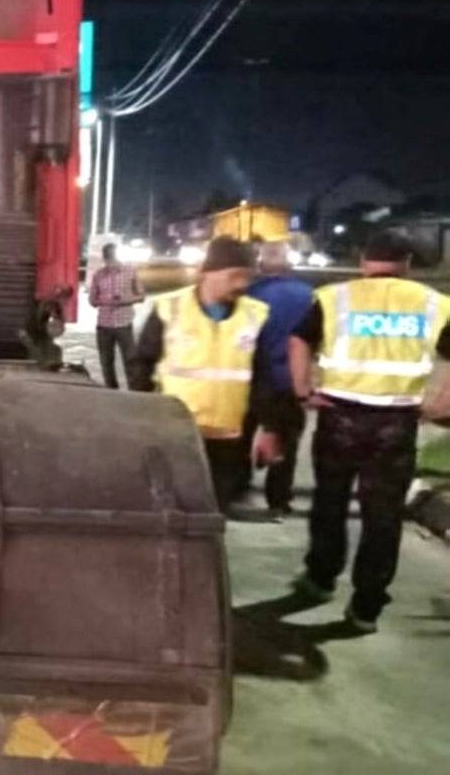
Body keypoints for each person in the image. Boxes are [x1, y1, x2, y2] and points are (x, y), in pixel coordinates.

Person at [288, 229, 450, 633]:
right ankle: (366, 607)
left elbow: (298, 341)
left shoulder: (335, 297)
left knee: (330, 503)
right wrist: (443, 404)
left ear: (364, 261)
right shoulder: (435, 304)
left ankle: (321, 579)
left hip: (338, 416)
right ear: (408, 264)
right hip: (396, 423)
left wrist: (304, 389)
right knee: (383, 517)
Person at [128, 236, 283, 513]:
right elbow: (141, 366)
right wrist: (143, 420)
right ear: (207, 272)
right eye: (234, 275)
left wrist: (270, 428)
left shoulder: (254, 315)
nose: (242, 284)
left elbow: (263, 378)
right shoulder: (170, 309)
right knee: (173, 511)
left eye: (247, 277)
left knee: (213, 516)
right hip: (177, 436)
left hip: (229, 441)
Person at [236, 240, 314, 516]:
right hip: (289, 378)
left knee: (240, 435)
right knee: (286, 440)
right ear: (288, 263)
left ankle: (238, 486)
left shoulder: (247, 294)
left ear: (260, 264)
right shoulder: (308, 295)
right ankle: (278, 498)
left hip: (249, 377)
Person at [88, 242, 145, 388]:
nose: (110, 263)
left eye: (112, 259)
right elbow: (92, 300)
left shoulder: (130, 272)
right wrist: (104, 301)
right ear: (104, 258)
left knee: (130, 360)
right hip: (104, 325)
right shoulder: (99, 275)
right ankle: (112, 390)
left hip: (124, 324)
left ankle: (134, 390)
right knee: (106, 362)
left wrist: (124, 300)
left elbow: (141, 296)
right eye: (108, 260)